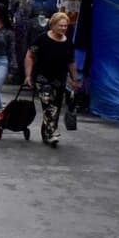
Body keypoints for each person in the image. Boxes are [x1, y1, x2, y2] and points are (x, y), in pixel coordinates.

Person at [24, 11, 79, 146]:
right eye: (61, 26)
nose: (63, 29)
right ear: (53, 25)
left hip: (59, 80)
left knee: (56, 107)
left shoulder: (68, 43)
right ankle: (52, 132)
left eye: (65, 26)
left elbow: (71, 62)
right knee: (48, 105)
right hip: (42, 79)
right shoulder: (42, 39)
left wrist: (75, 79)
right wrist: (28, 75)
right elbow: (30, 55)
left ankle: (46, 133)